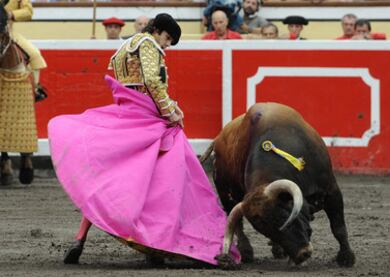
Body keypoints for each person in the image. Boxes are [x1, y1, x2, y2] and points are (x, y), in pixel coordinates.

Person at [49, 13, 239, 266]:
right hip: (146, 118)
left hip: (124, 114)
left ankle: (79, 239)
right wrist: (171, 112)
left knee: (104, 181)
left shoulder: (125, 46)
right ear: (157, 30)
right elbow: (151, 81)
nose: (167, 45)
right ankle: (156, 243)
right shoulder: (149, 44)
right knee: (169, 173)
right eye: (168, 38)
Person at [1, 0, 47, 186]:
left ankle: (35, 89)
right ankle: (4, 160)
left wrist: (12, 15)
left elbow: (28, 11)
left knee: (34, 55)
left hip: (8, 32)